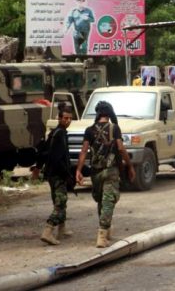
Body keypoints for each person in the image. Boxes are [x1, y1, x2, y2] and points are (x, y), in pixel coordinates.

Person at [75, 101, 136, 247]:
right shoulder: (114, 128)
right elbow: (121, 149)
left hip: (95, 172)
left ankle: (106, 229)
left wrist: (78, 170)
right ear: (109, 114)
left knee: (102, 201)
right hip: (111, 170)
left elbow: (83, 151)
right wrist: (130, 166)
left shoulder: (89, 130)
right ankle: (102, 234)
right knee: (109, 200)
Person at [32, 105, 74, 245]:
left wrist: (38, 168)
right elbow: (56, 158)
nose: (68, 121)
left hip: (52, 174)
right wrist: (67, 175)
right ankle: (48, 231)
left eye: (70, 118)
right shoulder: (59, 134)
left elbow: (44, 152)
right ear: (60, 118)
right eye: (65, 118)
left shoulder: (55, 132)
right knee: (60, 203)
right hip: (57, 174)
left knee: (60, 200)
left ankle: (62, 229)